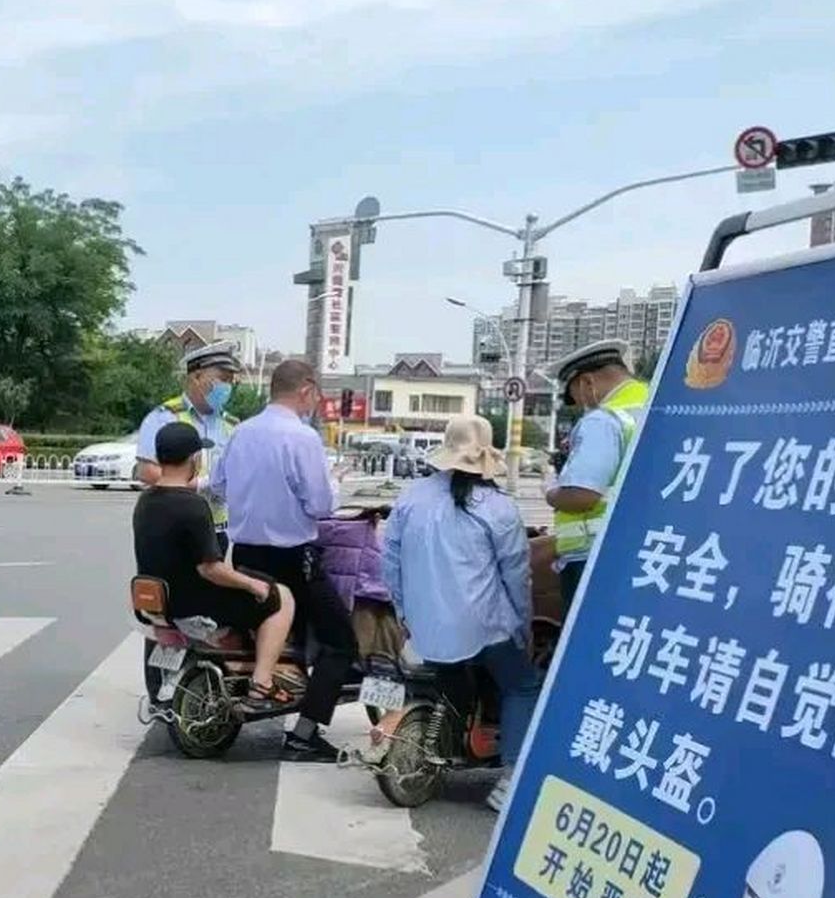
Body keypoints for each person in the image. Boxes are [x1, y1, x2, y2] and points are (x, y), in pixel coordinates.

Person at [381, 415, 541, 812]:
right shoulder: (498, 507)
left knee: (450, 680)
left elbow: (391, 561)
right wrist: (523, 627)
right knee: (522, 685)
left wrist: (404, 612)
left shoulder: (412, 498)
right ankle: (511, 774)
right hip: (484, 627)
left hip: (423, 628)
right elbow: (516, 577)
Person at [213, 359, 356, 761]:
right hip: (293, 559)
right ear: (307, 390)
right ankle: (304, 734)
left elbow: (219, 486)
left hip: (244, 555)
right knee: (340, 642)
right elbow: (320, 505)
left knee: (256, 625)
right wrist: (337, 485)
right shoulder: (302, 437)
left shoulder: (241, 432)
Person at [133, 422, 302, 706]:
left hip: (161, 601)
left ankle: (236, 669)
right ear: (194, 459)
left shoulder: (145, 501)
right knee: (281, 596)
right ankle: (262, 682)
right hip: (195, 602)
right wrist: (254, 585)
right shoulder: (193, 505)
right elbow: (210, 568)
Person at [543, 339, 648, 610]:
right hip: (642, 549)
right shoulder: (657, 403)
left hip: (593, 555)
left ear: (587, 383)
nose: (580, 406)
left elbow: (582, 495)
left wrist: (551, 491)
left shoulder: (604, 421)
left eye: (575, 397)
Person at [135, 341, 241, 553]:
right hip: (173, 524)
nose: (227, 387)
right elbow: (147, 471)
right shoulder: (164, 417)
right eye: (222, 379)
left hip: (216, 528)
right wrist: (196, 485)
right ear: (196, 377)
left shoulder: (232, 426)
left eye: (231, 381)